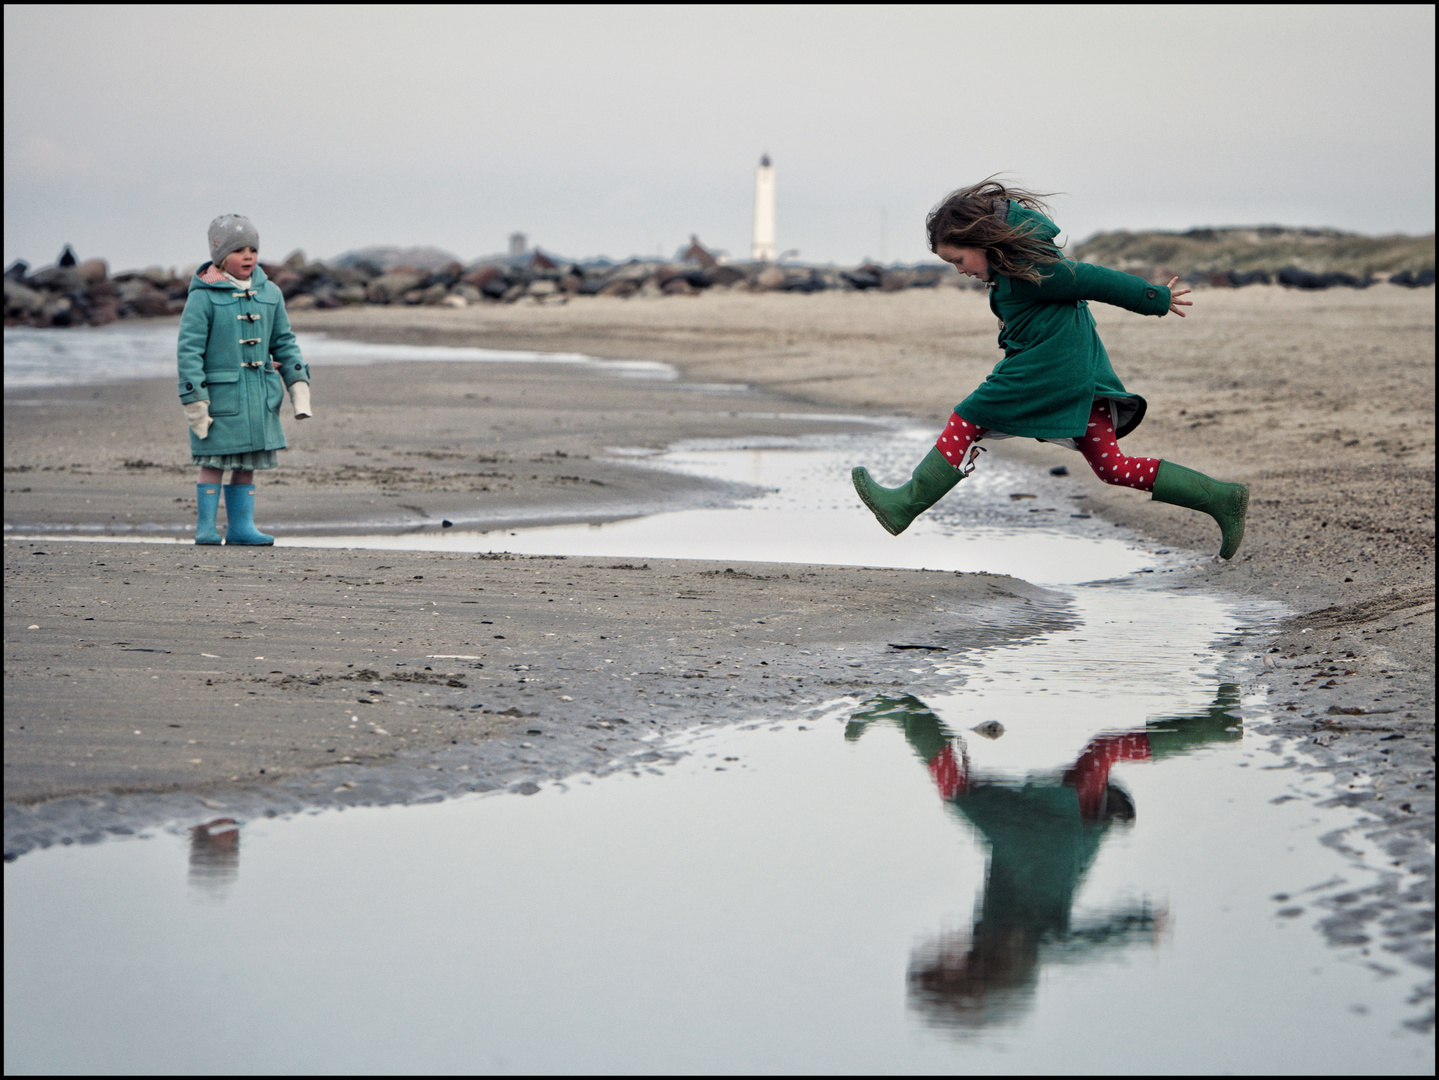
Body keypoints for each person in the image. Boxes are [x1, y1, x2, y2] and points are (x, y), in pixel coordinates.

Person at [851, 179, 1249, 560]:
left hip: (1049, 373)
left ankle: (904, 505)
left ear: (981, 240)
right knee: (1112, 467)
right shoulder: (1014, 272)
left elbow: (1091, 279)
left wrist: (1153, 297)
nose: (959, 269)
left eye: (958, 259)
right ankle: (1220, 497)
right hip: (1078, 378)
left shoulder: (1033, 270)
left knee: (968, 418)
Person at [178, 215, 312, 545]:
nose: (248, 256)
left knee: (246, 463)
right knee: (214, 461)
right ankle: (206, 528)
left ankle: (241, 527)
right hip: (220, 398)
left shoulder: (270, 294)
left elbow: (284, 342)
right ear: (221, 255)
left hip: (258, 397)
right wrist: (194, 398)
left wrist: (298, 385)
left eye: (253, 249)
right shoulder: (203, 296)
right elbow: (189, 349)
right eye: (239, 250)